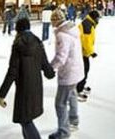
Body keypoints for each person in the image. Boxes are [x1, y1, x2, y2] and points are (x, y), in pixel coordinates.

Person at [0, 18, 55, 139]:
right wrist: (50, 73)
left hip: (24, 88)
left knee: (25, 120)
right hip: (36, 85)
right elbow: (45, 63)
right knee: (25, 119)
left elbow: (12, 71)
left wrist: (2, 94)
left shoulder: (18, 44)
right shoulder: (37, 41)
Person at [48, 10, 84, 139]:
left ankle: (64, 131)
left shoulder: (62, 35)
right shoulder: (72, 30)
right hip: (76, 69)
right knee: (72, 95)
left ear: (56, 21)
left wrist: (50, 68)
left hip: (69, 72)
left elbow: (61, 57)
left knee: (60, 103)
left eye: (53, 20)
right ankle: (73, 121)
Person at [77, 10, 99, 102]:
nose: (98, 20)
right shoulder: (87, 25)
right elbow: (86, 41)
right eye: (97, 18)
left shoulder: (88, 23)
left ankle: (80, 86)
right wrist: (91, 52)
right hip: (82, 52)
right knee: (83, 71)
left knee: (84, 70)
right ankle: (78, 90)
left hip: (83, 52)